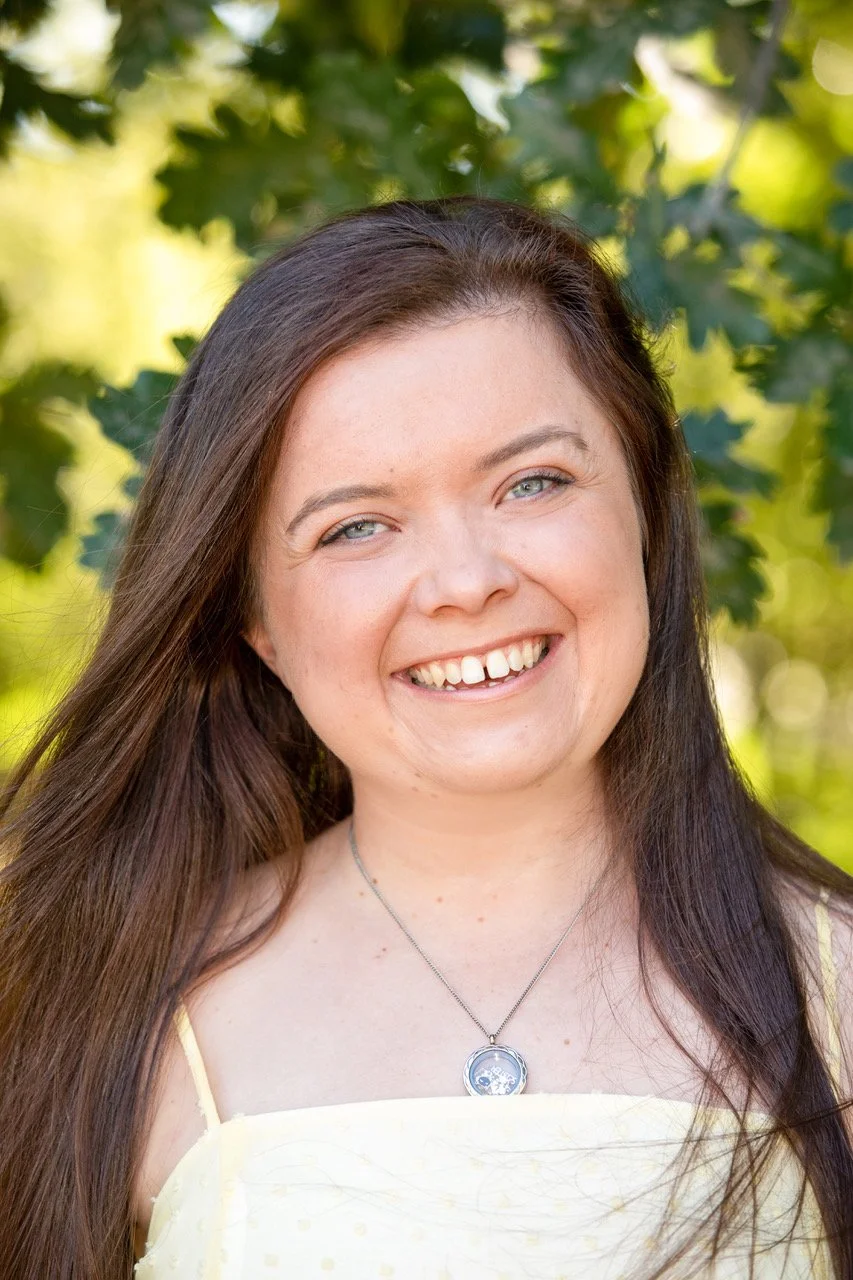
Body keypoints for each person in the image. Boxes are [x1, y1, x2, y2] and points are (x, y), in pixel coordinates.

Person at [1, 197, 851, 1280]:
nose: (465, 580)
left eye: (531, 481)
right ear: (252, 612)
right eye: (355, 525)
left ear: (643, 508)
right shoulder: (121, 1009)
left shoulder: (841, 991)